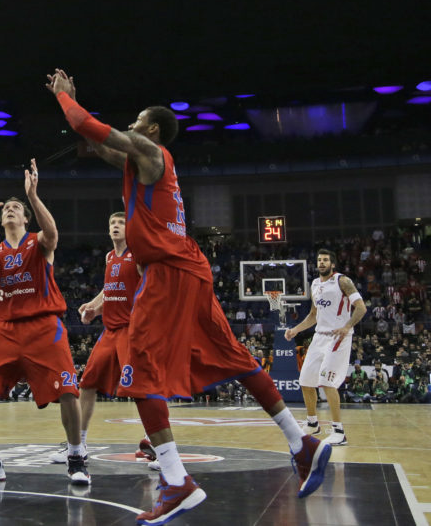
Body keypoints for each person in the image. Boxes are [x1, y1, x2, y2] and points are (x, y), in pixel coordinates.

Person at [48, 69, 331, 523]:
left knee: (137, 372)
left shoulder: (152, 150)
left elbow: (92, 128)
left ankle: (177, 482)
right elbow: (101, 145)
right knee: (235, 357)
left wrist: (65, 100)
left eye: (137, 121)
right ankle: (303, 444)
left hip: (168, 273)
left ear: (152, 127)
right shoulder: (140, 163)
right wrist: (76, 107)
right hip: (190, 267)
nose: (132, 126)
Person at [0, 159, 89, 486]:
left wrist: (32, 195)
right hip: (6, 329)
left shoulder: (37, 243)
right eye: (8, 208)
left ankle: (76, 456)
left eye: (16, 208)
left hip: (44, 326)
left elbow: (53, 233)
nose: (10, 210)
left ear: (25, 217)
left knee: (69, 392)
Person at [49, 213, 157, 469]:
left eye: (120, 223)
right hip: (111, 331)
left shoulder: (139, 255)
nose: (116, 227)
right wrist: (94, 308)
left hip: (133, 330)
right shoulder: (110, 257)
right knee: (87, 384)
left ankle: (158, 444)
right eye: (112, 224)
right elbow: (111, 290)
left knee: (141, 388)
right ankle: (79, 445)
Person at [285, 249, 367, 445]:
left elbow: (362, 308)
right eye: (319, 260)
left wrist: (347, 326)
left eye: (325, 260)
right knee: (305, 380)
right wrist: (296, 329)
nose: (321, 263)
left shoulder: (343, 281)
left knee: (327, 383)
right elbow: (313, 315)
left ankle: (339, 431)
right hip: (319, 337)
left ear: (333, 264)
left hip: (338, 337)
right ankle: (313, 423)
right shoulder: (314, 284)